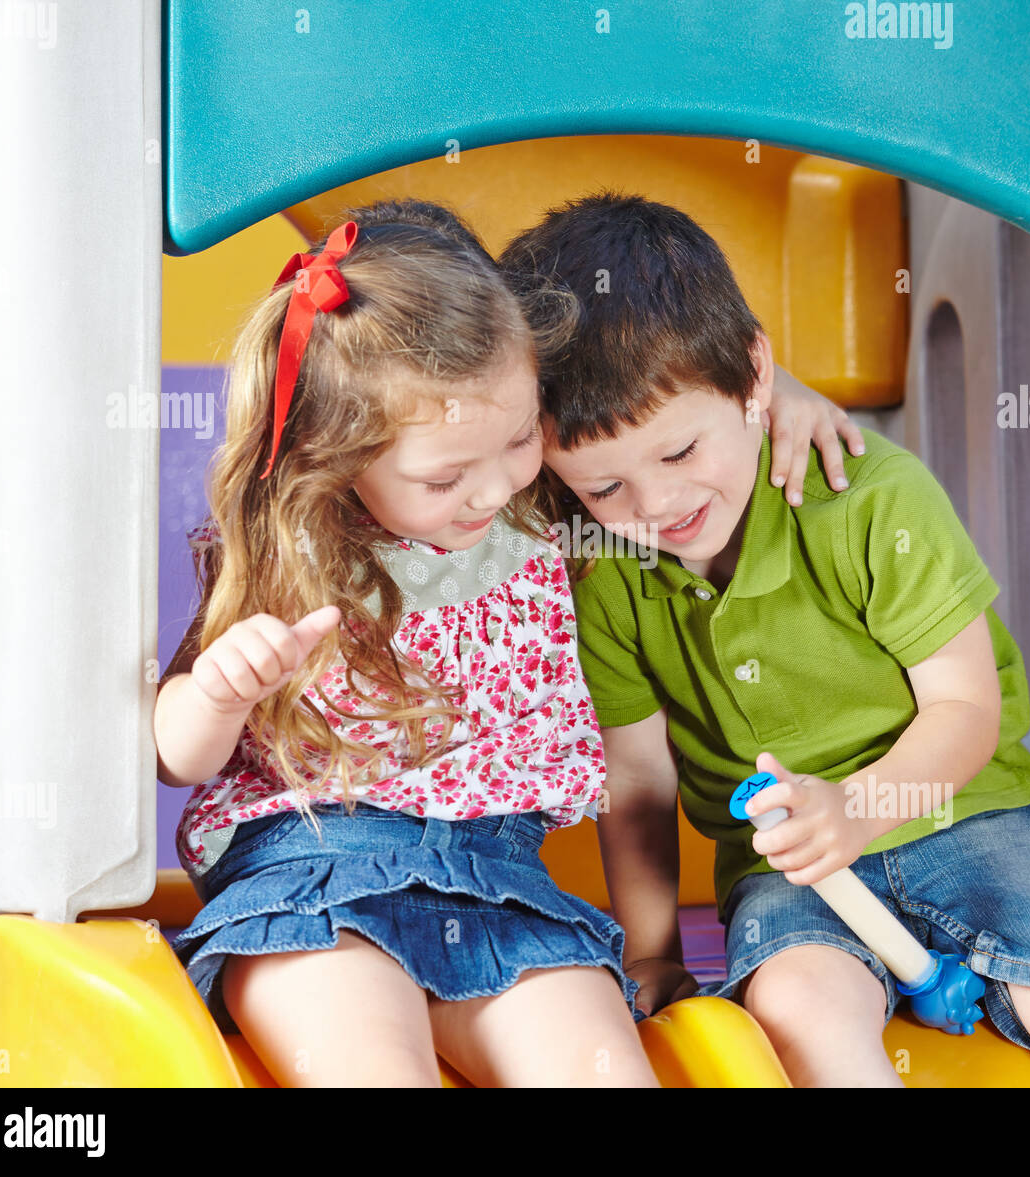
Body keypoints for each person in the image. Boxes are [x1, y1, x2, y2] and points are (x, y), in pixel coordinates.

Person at [500, 191, 1030, 1087]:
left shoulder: (871, 498)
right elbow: (641, 780)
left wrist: (857, 808)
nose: (654, 506)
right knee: (800, 1014)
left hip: (972, 819)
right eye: (604, 489)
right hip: (788, 873)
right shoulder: (606, 568)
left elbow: (967, 707)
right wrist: (651, 955)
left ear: (755, 377)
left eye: (680, 453)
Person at [157, 198, 853, 1088]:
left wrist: (774, 388)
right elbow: (178, 755)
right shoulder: (288, 549)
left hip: (501, 886)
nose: (491, 488)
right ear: (337, 456)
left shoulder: (539, 509)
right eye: (444, 476)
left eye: (523, 436)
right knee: (373, 1068)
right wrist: (217, 696)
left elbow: (654, 374)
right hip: (314, 876)